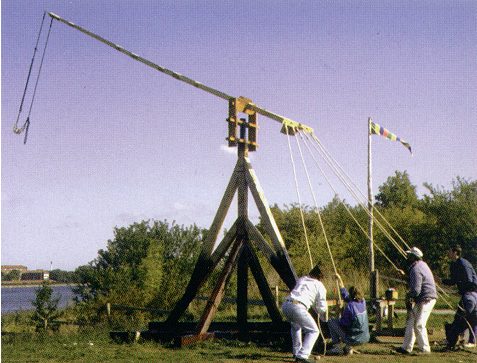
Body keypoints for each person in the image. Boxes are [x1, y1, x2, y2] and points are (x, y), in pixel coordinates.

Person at [282, 264, 328, 363]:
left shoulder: (302, 279)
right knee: (314, 331)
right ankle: (302, 356)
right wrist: (325, 310)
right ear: (321, 276)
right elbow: (321, 308)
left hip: (286, 305)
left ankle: (297, 352)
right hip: (298, 307)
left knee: (296, 326)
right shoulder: (320, 286)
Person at [395, 247, 437, 354]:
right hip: (425, 297)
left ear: (414, 257)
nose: (407, 257)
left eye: (409, 255)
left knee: (419, 324)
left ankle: (425, 349)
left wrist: (409, 297)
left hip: (426, 298)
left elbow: (416, 290)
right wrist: (406, 276)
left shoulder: (415, 269)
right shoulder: (422, 265)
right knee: (411, 322)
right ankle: (406, 348)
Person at [443, 245, 477, 347]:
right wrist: (442, 280)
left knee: (467, 317)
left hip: (471, 294)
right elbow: (453, 281)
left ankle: (468, 340)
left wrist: (464, 290)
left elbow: (469, 280)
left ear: (455, 252)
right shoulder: (454, 265)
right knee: (465, 317)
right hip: (466, 294)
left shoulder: (463, 264)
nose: (448, 253)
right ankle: (458, 338)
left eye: (449, 251)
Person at [327, 274, 370, 355]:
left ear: (351, 295)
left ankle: (337, 347)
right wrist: (340, 279)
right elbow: (345, 295)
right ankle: (348, 348)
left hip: (354, 339)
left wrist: (340, 312)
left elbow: (343, 324)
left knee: (331, 321)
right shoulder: (363, 301)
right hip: (365, 337)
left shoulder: (350, 306)